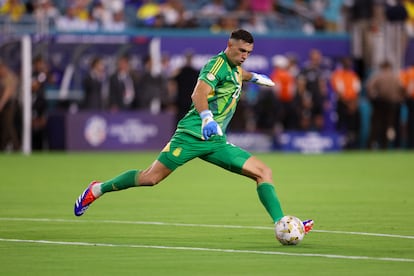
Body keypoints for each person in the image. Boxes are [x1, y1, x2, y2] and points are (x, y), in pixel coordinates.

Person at [73, 29, 314, 236]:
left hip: (216, 141)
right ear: (229, 46)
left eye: (248, 53)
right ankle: (97, 189)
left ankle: (283, 225)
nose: (244, 57)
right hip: (191, 135)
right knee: (150, 178)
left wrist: (256, 78)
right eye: (241, 51)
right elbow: (198, 93)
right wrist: (207, 117)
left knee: (263, 172)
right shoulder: (216, 65)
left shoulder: (236, 68)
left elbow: (241, 75)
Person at [330, 57, 361, 149]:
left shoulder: (353, 76)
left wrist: (353, 104)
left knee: (354, 125)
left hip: (353, 103)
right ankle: (338, 145)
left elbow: (357, 91)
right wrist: (348, 104)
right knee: (341, 124)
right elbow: (338, 92)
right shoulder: (337, 75)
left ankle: (353, 145)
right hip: (343, 104)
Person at [0, 60, 20, 151]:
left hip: (10, 105)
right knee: (5, 125)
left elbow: (7, 93)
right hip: (5, 104)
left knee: (8, 125)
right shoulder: (2, 78)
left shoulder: (9, 77)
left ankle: (15, 146)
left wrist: (1, 104)